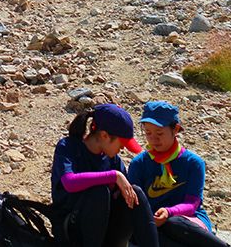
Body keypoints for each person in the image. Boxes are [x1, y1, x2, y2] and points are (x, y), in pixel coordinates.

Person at [52, 104, 157, 247]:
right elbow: (69, 182)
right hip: (71, 230)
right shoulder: (68, 147)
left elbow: (126, 194)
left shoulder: (112, 159)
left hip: (104, 232)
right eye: (121, 143)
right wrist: (113, 176)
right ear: (104, 136)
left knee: (135, 192)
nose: (122, 148)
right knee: (99, 192)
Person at [127, 102, 228, 247]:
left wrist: (169, 212)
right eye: (148, 133)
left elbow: (192, 204)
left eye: (159, 133)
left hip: (187, 221)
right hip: (153, 223)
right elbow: (134, 206)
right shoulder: (139, 164)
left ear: (175, 129)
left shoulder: (193, 163)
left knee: (173, 223)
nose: (153, 139)